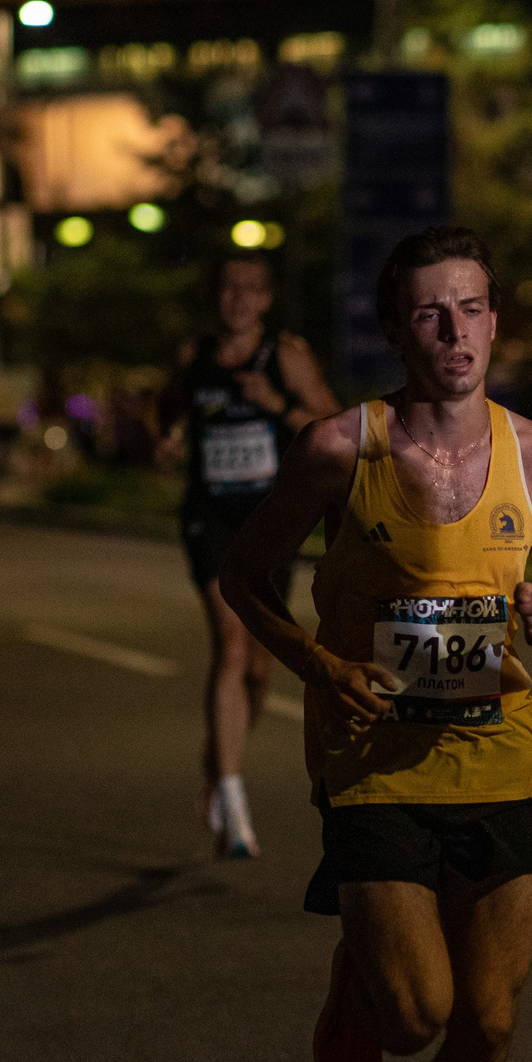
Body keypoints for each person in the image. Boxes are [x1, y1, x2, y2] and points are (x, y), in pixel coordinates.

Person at [219, 224, 532, 1062]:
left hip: (500, 756)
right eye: (430, 312)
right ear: (395, 330)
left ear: (494, 321)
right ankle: (362, 974)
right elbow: (244, 574)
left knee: (489, 1024)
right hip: (375, 763)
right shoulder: (341, 449)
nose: (454, 331)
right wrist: (320, 664)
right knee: (415, 1018)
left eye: (470, 308)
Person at [159, 252, 339, 859]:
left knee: (260, 666)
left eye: (249, 289)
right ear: (214, 296)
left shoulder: (285, 357)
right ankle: (234, 807)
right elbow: (167, 412)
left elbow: (332, 426)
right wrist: (166, 438)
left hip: (268, 521)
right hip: (209, 519)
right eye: (227, 288)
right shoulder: (194, 358)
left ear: (265, 299)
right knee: (231, 644)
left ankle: (219, 765)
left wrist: (276, 406)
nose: (236, 299)